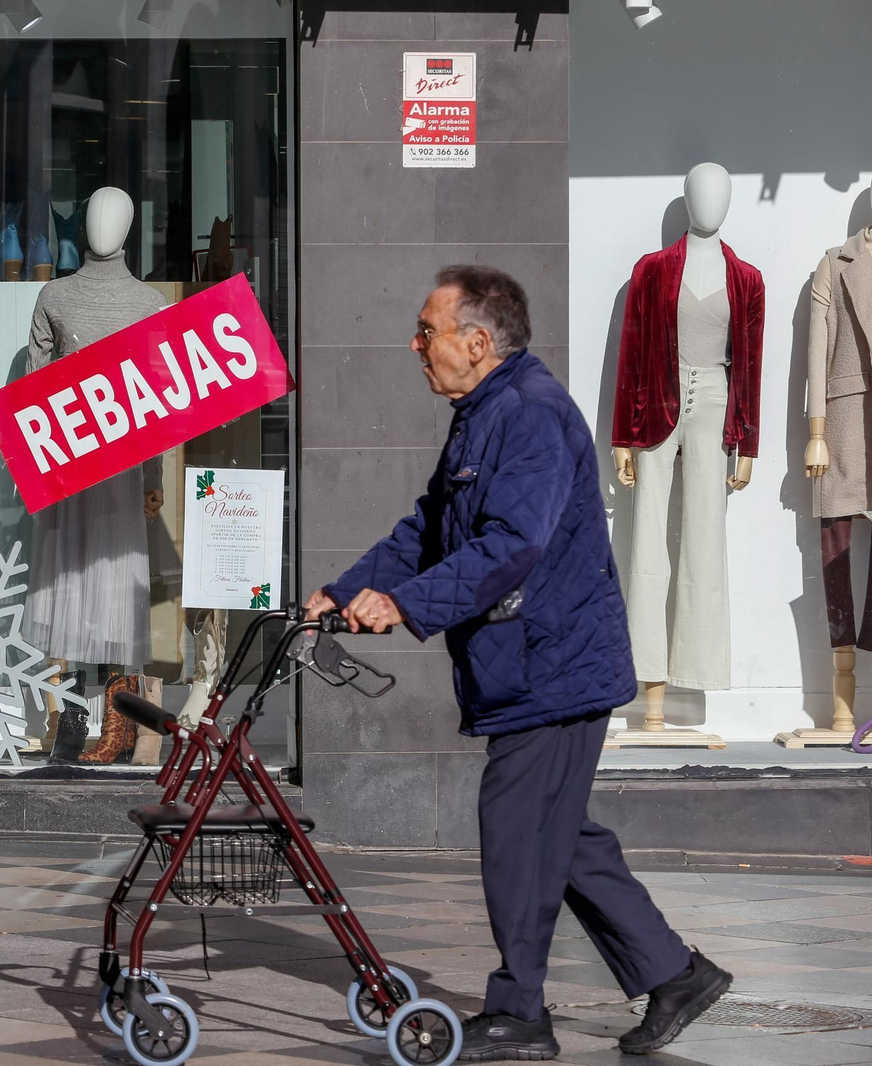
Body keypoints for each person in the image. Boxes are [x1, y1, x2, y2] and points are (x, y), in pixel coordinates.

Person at [304, 266, 730, 1060]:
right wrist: (349, 587)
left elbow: (514, 544)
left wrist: (406, 605)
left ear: (478, 340)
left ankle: (522, 1012)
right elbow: (431, 526)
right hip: (530, 665)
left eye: (426, 331)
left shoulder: (530, 415)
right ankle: (675, 975)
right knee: (559, 837)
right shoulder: (483, 413)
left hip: (554, 667)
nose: (415, 344)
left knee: (516, 828)